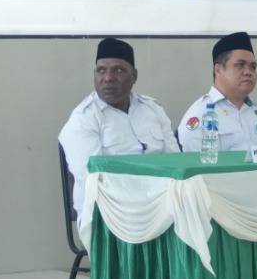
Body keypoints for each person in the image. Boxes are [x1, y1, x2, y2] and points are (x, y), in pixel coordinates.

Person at [57, 38, 178, 192]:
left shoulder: (153, 109)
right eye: (101, 70)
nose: (108, 78)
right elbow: (94, 182)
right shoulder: (83, 119)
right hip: (111, 204)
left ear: (134, 76)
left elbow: (176, 163)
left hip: (159, 199)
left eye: (118, 70)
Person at [178, 32, 257, 152]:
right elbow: (197, 161)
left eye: (253, 67)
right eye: (240, 65)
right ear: (218, 70)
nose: (248, 72)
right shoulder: (201, 113)